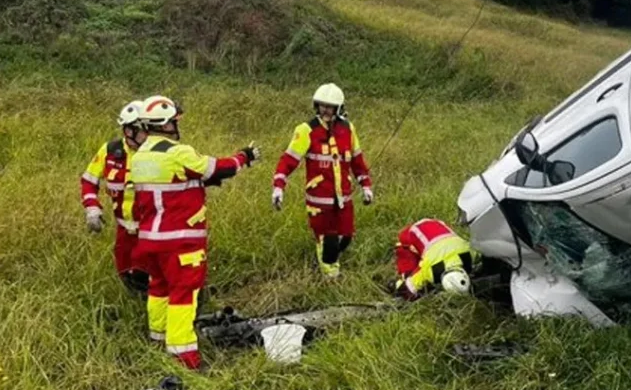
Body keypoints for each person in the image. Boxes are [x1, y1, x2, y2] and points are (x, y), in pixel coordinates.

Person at [129, 95, 260, 370]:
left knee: (159, 288)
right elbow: (216, 168)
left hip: (150, 241)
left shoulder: (140, 157)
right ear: (165, 124)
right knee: (183, 295)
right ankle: (183, 358)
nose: (177, 125)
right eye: (175, 121)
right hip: (180, 242)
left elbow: (177, 183)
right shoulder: (177, 152)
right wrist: (243, 157)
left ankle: (158, 339)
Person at [271, 83, 375, 278]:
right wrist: (278, 186)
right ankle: (331, 278)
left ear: (339, 108)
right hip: (319, 201)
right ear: (316, 106)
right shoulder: (306, 130)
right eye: (322, 106)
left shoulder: (348, 129)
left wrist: (366, 185)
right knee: (327, 241)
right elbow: (288, 160)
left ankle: (331, 260)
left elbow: (358, 161)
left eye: (330, 106)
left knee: (346, 237)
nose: (325, 110)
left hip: (344, 198)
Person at [80, 99, 150, 295]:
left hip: (152, 232)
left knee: (150, 280)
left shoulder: (160, 153)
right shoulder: (110, 152)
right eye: (146, 129)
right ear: (129, 130)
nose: (150, 133)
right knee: (126, 275)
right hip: (124, 233)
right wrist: (92, 208)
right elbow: (88, 180)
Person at [391, 217, 480, 301]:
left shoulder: (470, 255)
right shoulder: (432, 269)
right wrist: (400, 289)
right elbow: (411, 286)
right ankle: (405, 275)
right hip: (412, 232)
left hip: (438, 224)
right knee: (407, 262)